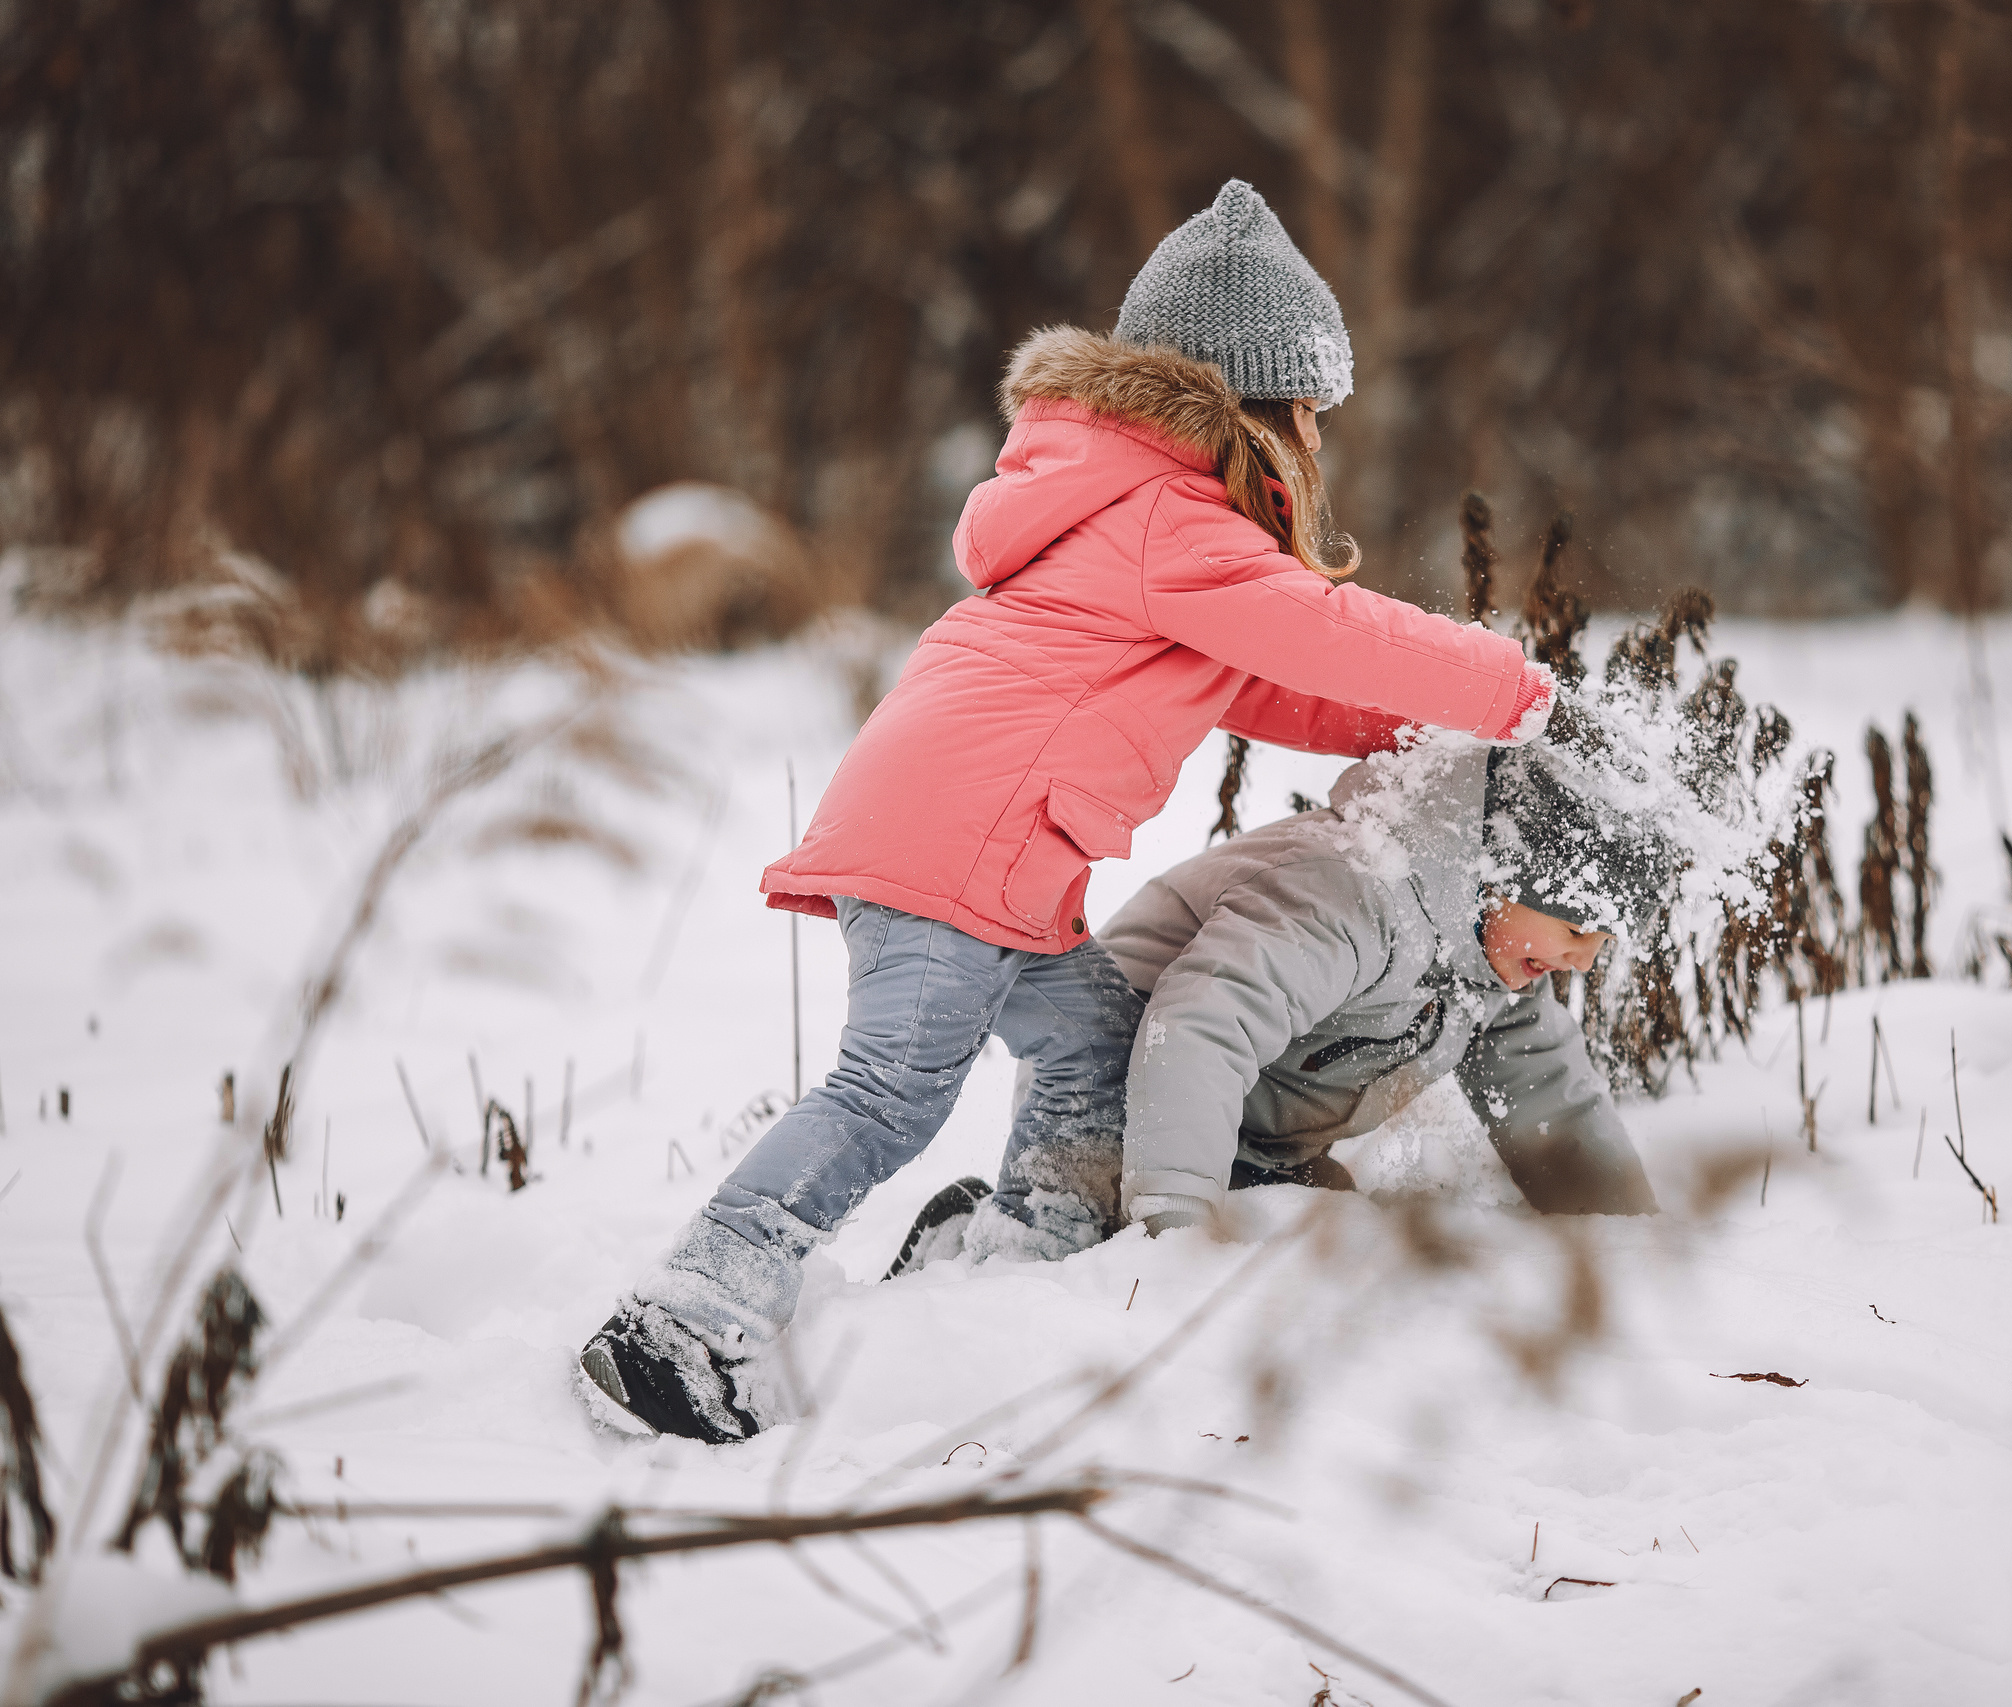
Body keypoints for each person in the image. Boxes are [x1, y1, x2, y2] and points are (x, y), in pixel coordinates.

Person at [580, 179, 1558, 1443]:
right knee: (889, 1095)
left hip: (994, 867)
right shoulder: (1172, 527)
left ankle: (1026, 1246)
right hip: (954, 860)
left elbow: (1274, 684)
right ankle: (686, 1316)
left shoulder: (1126, 523)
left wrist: (1421, 732)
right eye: (1308, 411)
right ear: (1248, 410)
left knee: (1095, 1047)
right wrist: (1519, 691)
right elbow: (1328, 633)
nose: (1319, 441)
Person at [891, 734, 1674, 1275]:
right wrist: (1174, 1235)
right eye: (1572, 926)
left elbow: (1555, 1106)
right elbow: (1199, 1027)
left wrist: (1627, 1242)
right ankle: (965, 1247)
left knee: (1322, 1261)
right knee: (1077, 1259)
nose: (1579, 959)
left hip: (1252, 1139)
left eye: (1599, 944)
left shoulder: (1493, 967)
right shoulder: (1355, 892)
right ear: (1497, 871)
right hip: (1118, 1077)